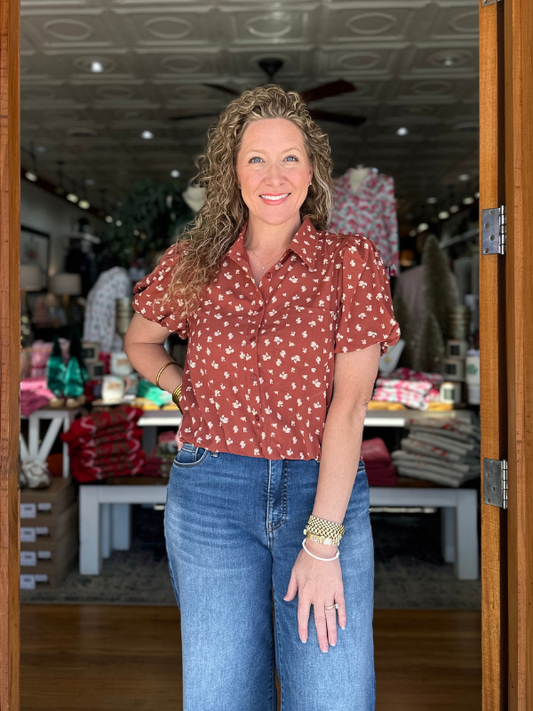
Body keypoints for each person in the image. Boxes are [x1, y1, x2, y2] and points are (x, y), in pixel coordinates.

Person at [124, 85, 400, 711]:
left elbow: (350, 408)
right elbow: (142, 340)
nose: (273, 176)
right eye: (255, 158)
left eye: (290, 158)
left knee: (332, 695)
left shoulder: (350, 262)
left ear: (312, 171)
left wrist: (322, 541)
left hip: (319, 488)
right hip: (210, 492)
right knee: (221, 695)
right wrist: (180, 388)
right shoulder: (194, 261)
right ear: (233, 171)